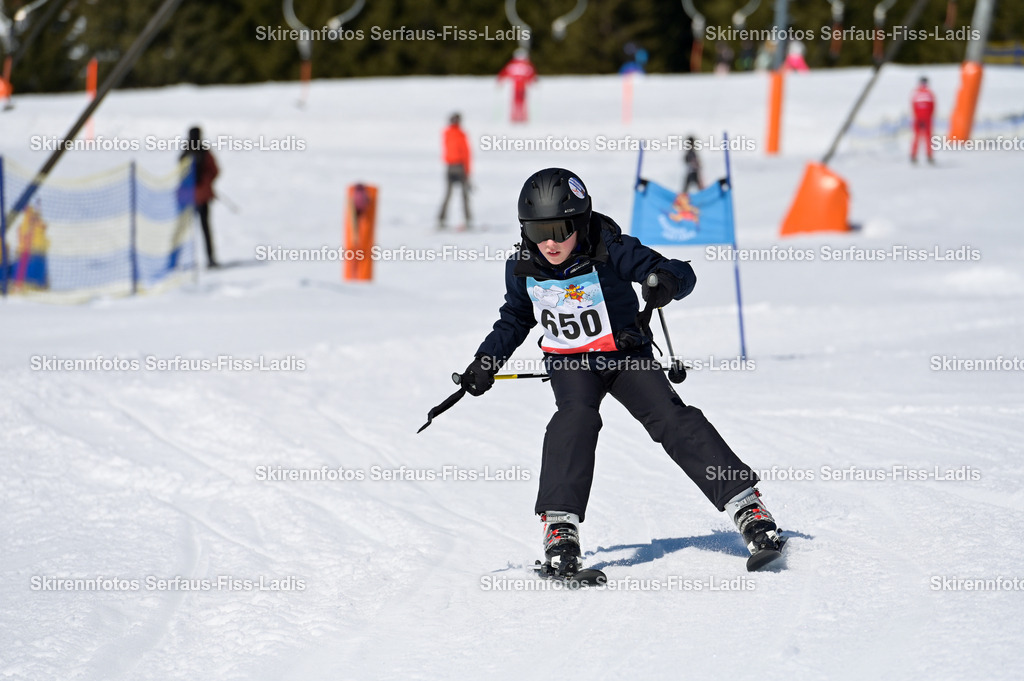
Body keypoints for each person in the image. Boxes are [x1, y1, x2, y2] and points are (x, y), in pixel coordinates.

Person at [458, 168, 784, 577]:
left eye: (560, 228)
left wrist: (665, 281)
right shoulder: (523, 265)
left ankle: (746, 506)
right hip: (570, 362)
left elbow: (679, 271)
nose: (550, 242)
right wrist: (485, 362)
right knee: (574, 418)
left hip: (624, 357)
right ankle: (560, 528)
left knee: (671, 418)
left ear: (580, 222)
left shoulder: (610, 247)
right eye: (538, 231)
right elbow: (515, 319)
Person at [180, 126, 219, 267]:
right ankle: (210, 259)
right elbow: (214, 170)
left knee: (185, 229)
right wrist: (206, 183)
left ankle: (180, 262)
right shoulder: (201, 151)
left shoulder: (186, 152)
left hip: (190, 197)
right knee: (203, 229)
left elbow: (179, 172)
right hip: (198, 196)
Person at [438, 113, 472, 230]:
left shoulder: (446, 134)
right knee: (464, 195)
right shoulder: (460, 134)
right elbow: (466, 153)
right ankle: (468, 221)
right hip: (460, 167)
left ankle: (441, 220)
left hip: (449, 166)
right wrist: (467, 171)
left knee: (448, 195)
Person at [497, 48, 536, 123]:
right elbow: (531, 75)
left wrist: (500, 81)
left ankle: (515, 117)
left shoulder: (512, 65)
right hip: (522, 87)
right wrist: (533, 82)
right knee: (522, 102)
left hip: (516, 87)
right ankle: (522, 117)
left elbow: (504, 73)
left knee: (515, 102)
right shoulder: (527, 65)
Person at [911, 77, 936, 165]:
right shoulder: (929, 93)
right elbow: (933, 106)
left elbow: (913, 106)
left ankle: (913, 155)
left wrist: (917, 116)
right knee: (927, 137)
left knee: (917, 136)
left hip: (918, 118)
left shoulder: (916, 93)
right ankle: (929, 155)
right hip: (926, 118)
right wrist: (929, 115)